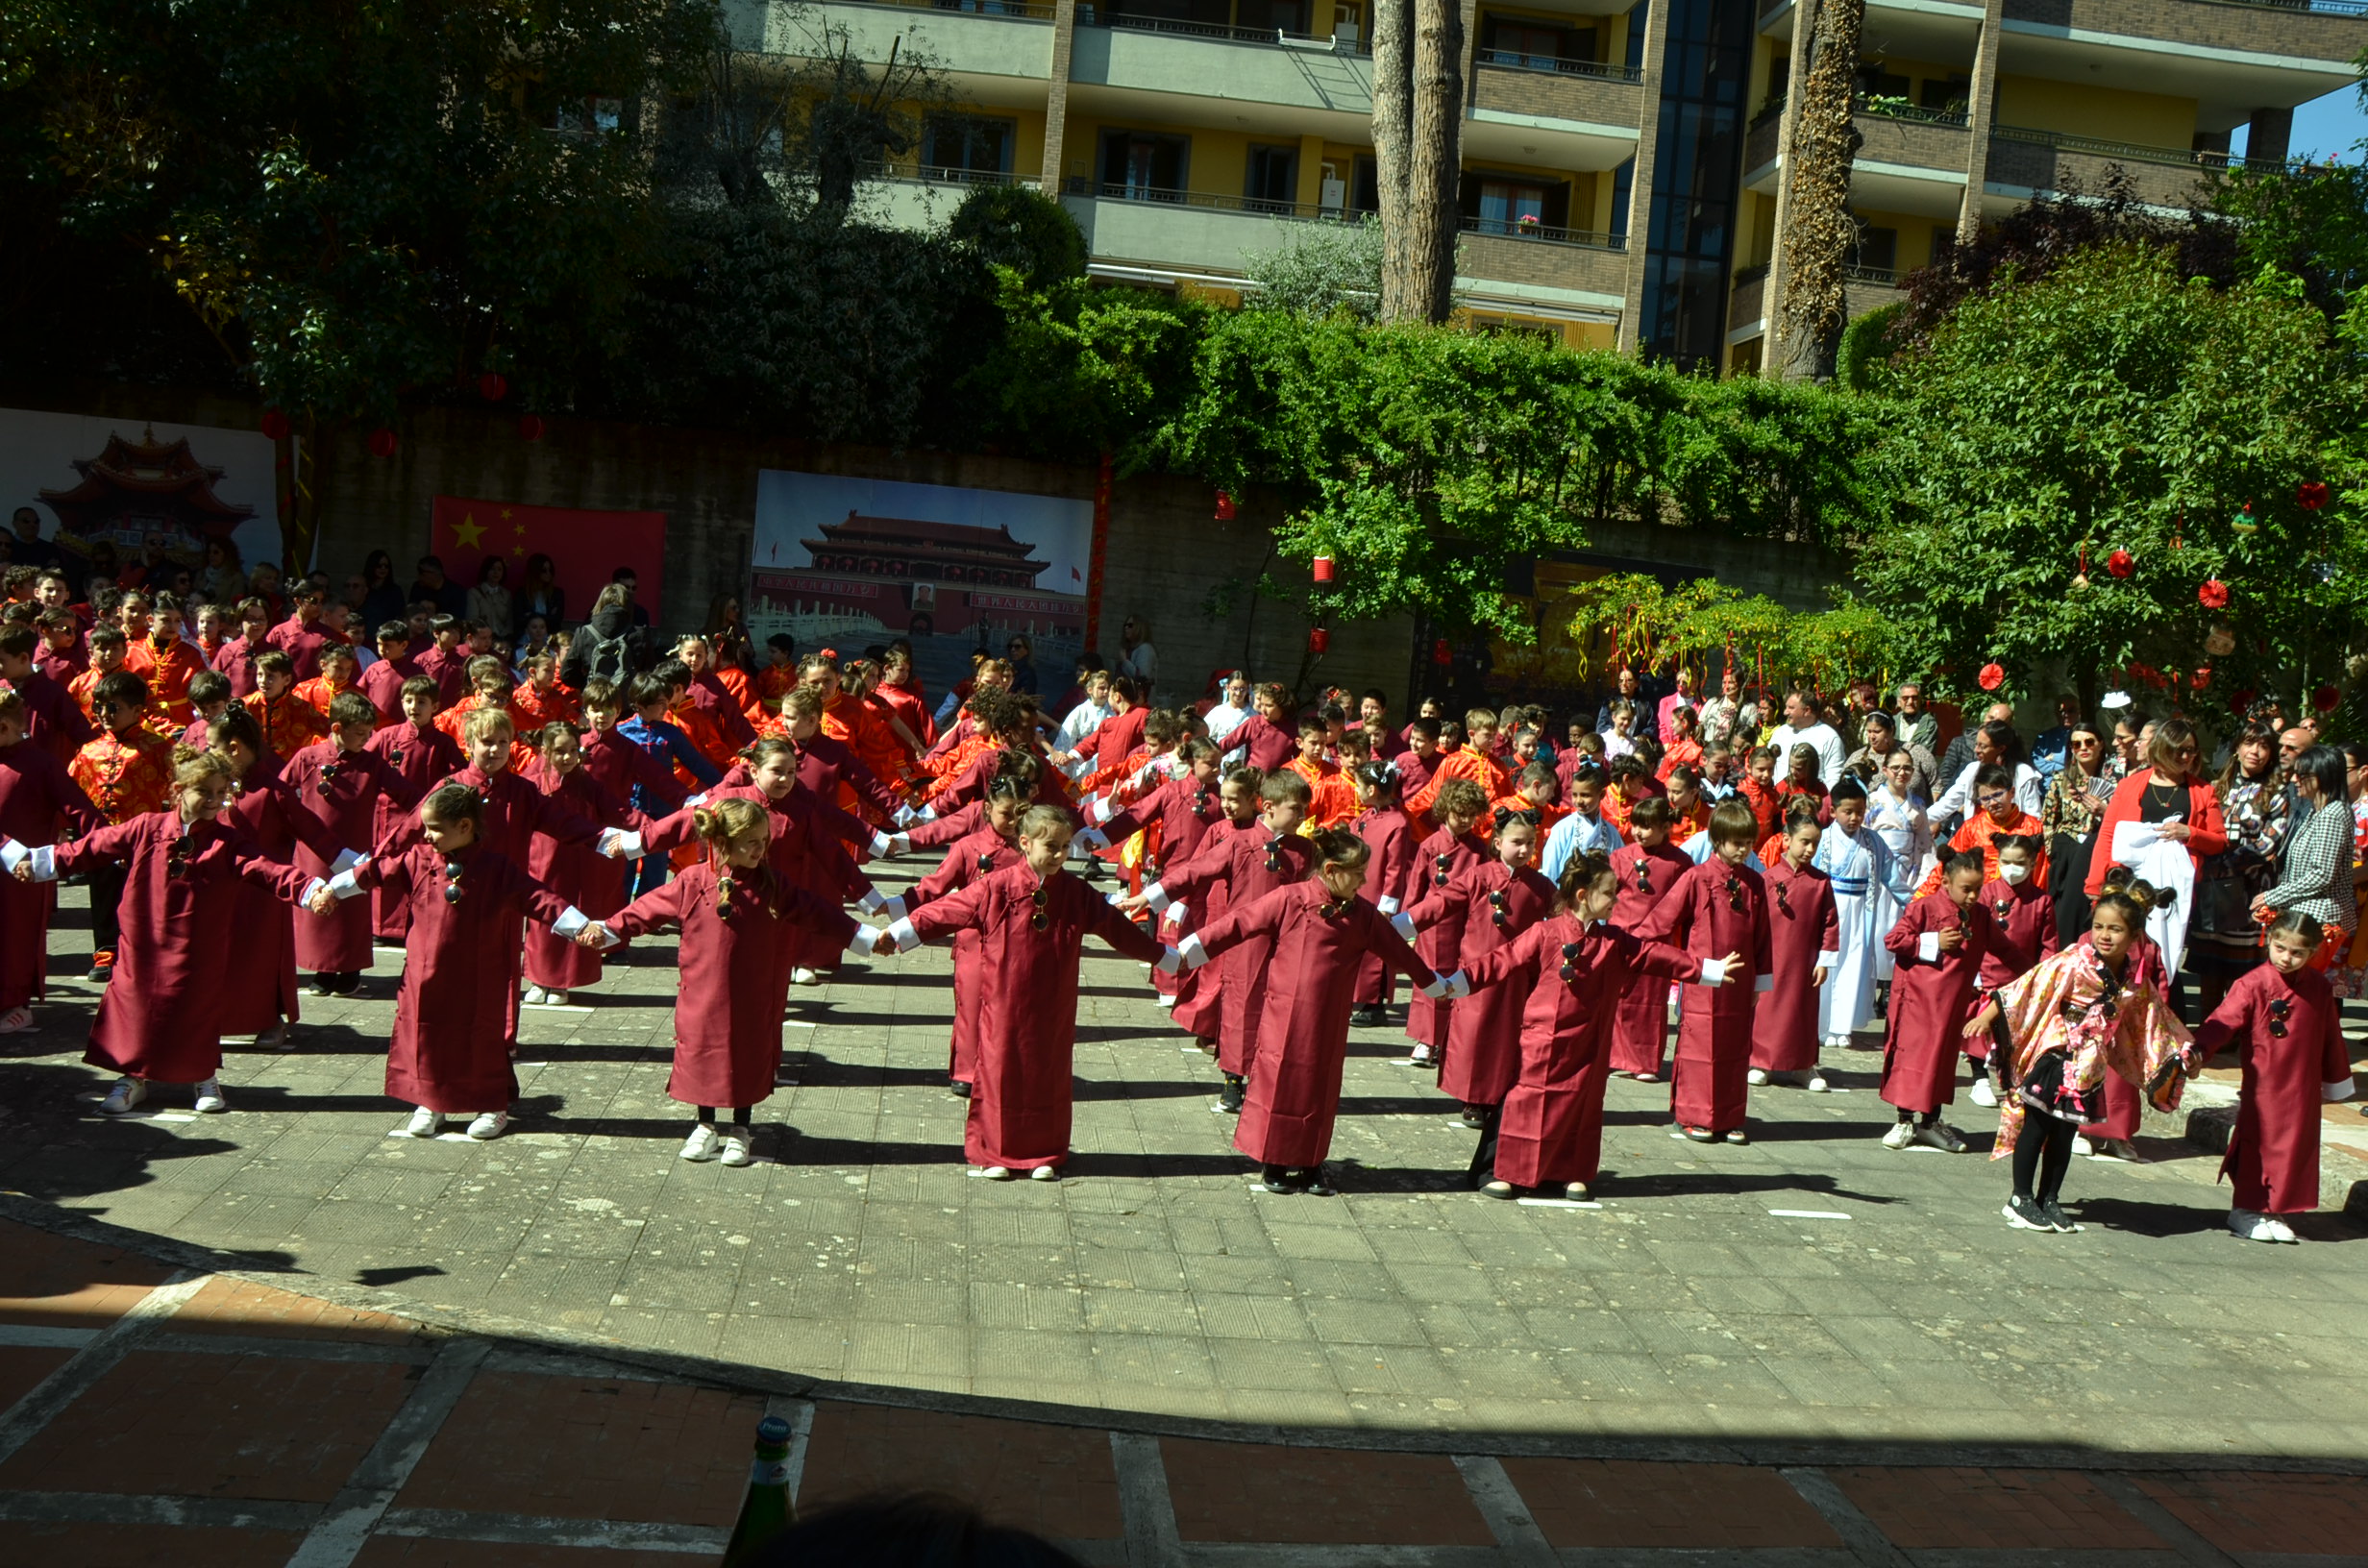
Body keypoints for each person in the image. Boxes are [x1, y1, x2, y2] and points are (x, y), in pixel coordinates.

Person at [1168, 827, 1463, 1195]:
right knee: (1279, 1082)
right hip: (1283, 1015)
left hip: (1329, 1019)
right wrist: (1187, 953)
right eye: (1357, 873)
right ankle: (1273, 1160)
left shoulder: (1363, 916)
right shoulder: (1290, 898)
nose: (1363, 880)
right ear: (1331, 870)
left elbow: (1400, 953)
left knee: (1319, 1088)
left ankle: (1310, 1162)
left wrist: (1436, 986)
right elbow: (1238, 923)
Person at [880, 804, 1165, 1180]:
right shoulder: (996, 887)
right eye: (1051, 846)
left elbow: (1119, 930)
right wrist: (897, 934)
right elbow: (946, 910)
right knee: (1000, 1067)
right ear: (1026, 843)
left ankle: (1044, 1152)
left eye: (1065, 847)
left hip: (1053, 1002)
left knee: (1047, 1068)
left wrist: (1165, 957)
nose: (1060, 855)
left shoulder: (1077, 893)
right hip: (1003, 998)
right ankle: (994, 1151)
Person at [22, 747, 314, 1111]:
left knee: (195, 1006)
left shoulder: (228, 841)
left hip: (197, 943)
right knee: (135, 1005)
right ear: (178, 790)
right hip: (142, 939)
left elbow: (265, 868)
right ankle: (132, 1078)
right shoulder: (147, 826)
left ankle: (204, 1077)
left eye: (220, 792)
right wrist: (39, 864)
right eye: (203, 791)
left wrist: (308, 890)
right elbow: (94, 846)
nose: (212, 800)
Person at [591, 797, 870, 1165]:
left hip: (754, 993)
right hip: (702, 992)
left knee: (746, 1055)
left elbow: (816, 911)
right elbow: (648, 908)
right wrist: (607, 929)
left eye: (764, 840)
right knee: (703, 1052)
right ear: (723, 842)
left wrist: (862, 936)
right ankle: (705, 1125)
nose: (761, 849)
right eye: (751, 841)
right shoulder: (692, 881)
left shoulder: (772, 885)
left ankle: (741, 1128)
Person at [319, 782, 594, 1139]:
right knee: (425, 1034)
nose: (428, 836)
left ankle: (492, 1105)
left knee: (479, 1036)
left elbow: (539, 898)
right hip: (425, 971)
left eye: (436, 829)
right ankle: (431, 1100)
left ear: (465, 827)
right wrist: (330, 890)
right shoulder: (416, 860)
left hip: (477, 974)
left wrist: (581, 926)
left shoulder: (497, 869)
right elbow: (372, 872)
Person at [1966, 877, 2194, 1233]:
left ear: (2135, 936)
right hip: (2055, 1053)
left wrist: (2183, 1050)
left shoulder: (2134, 980)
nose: (2105, 935)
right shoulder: (2074, 960)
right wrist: (1986, 1016)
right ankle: (2020, 1198)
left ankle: (2049, 1197)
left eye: (2116, 929)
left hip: (2089, 1062)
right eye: (2099, 926)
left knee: (2065, 1133)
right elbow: (2027, 985)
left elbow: (2156, 1019)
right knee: (2037, 1126)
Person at [1127, 769, 1317, 1110]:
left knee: (1284, 1011)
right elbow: (1193, 871)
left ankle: (1272, 1079)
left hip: (1290, 943)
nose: (1302, 816)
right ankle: (1233, 1078)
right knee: (1241, 1009)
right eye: (1296, 809)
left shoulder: (1305, 850)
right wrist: (1151, 897)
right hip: (1245, 943)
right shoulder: (1239, 843)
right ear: (1269, 807)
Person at [1396, 808, 1555, 1170]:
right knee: (1473, 1033)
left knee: (1505, 1037)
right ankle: (1471, 1098)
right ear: (1498, 843)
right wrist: (1398, 927)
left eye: (1530, 843)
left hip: (1518, 975)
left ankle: (1495, 1096)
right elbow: (1439, 904)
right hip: (1475, 970)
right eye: (1517, 842)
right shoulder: (1479, 877)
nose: (1523, 850)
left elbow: (1563, 915)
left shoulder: (1541, 886)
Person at [2192, 910, 2356, 1242]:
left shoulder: (2320, 987)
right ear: (2268, 940)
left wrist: (2335, 1080)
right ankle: (2246, 1210)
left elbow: (2331, 1037)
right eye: (2280, 948)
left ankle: (2273, 1209)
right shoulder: (2253, 983)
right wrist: (2198, 1051)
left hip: (2304, 1084)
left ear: (2313, 952)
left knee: (2294, 1145)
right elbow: (2223, 1021)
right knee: (2260, 1141)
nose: (2286, 958)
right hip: (2264, 1082)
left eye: (2297, 952)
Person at [1637, 798, 1774, 1143]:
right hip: (1702, 978)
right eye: (1735, 843)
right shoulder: (1696, 878)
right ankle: (1693, 1114)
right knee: (1700, 1045)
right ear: (1717, 840)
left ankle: (1729, 1116)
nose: (1742, 850)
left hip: (1740, 982)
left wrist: (1760, 981)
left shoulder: (1755, 884)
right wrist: (1632, 945)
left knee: (1734, 1047)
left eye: (1747, 843)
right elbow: (1661, 919)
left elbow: (1763, 937)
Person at [905, 771, 1033, 1095]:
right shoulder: (967, 847)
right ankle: (966, 1071)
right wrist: (898, 910)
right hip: (974, 942)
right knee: (971, 1007)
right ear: (988, 808)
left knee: (1012, 1007)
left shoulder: (1031, 848)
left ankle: (1003, 1070)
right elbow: (935, 887)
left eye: (1020, 813)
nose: (1012, 821)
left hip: (1020, 941)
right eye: (1006, 812)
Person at [520, 722, 651, 1007]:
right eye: (559, 751)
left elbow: (621, 811)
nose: (567, 758)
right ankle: (538, 978)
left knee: (576, 913)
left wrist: (654, 831)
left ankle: (562, 982)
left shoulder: (587, 782)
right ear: (544, 751)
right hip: (542, 860)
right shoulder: (530, 780)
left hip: (580, 862)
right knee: (541, 922)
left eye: (572, 751)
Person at [281, 692, 402, 996]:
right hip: (313, 850)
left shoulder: (372, 764)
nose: (366, 738)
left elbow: (407, 793)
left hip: (353, 847)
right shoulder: (307, 757)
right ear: (337, 728)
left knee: (350, 909)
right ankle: (322, 969)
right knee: (318, 908)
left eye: (368, 732)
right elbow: (279, 793)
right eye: (359, 733)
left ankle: (350, 970)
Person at [0, 688, 103, 1032]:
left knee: (15, 934)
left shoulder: (42, 765)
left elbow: (81, 811)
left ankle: (15, 1002)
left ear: (4, 727)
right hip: (10, 858)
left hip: (22, 873)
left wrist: (108, 844)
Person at [1880, 849, 1991, 1152]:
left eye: (1977, 889)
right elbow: (1894, 940)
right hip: (1917, 1000)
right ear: (1945, 883)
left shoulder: (1980, 915)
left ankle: (1931, 1121)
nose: (1972, 896)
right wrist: (1932, 942)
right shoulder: (1924, 908)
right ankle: (1904, 1120)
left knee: (1941, 1062)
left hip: (1951, 1005)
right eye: (1966, 889)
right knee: (1912, 1059)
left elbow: (2004, 949)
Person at [1963, 835, 2058, 1108]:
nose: (2012, 868)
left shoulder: (2042, 901)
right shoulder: (1986, 893)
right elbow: (1972, 935)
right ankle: (1979, 1079)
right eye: (2006, 862)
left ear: (2032, 863)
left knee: (2014, 1034)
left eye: (2020, 863)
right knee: (1978, 1029)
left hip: (2022, 978)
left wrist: (2042, 977)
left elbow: (2048, 945)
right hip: (1987, 973)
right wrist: (1974, 972)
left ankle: (2011, 1080)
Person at [2250, 744, 2357, 972]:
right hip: (2305, 914)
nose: (2295, 779)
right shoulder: (2317, 810)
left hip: (2320, 918)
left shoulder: (2333, 814)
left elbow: (2321, 874)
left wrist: (2273, 896)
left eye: (2302, 775)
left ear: (2323, 776)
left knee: (2301, 989)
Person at [1748, 811, 1836, 1091]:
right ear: (1786, 840)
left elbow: (1830, 923)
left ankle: (1803, 1065)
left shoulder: (1821, 883)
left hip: (1805, 961)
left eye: (1815, 843)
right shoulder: (1766, 879)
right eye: (1804, 842)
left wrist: (1825, 959)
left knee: (1802, 1010)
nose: (1810, 849)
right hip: (1772, 958)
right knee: (1767, 1009)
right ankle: (1761, 1061)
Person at [2038, 723, 2112, 948]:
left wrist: (2103, 809)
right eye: (2076, 744)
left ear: (2100, 745)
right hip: (2066, 850)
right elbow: (2048, 819)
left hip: (2098, 849)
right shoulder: (2061, 780)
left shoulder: (2114, 781)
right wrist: (2053, 850)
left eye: (2089, 742)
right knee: (2065, 908)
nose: (2083, 748)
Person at [1767, 688, 1846, 790]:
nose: (1785, 712)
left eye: (1791, 708)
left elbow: (1834, 778)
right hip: (1779, 800)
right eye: (1786, 707)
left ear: (1807, 711)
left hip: (1812, 802)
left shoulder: (1829, 737)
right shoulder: (1780, 733)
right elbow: (1768, 765)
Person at [2031, 696, 2084, 783]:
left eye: (2071, 711)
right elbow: (2038, 763)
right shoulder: (2044, 738)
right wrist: (2065, 768)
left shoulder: (2087, 737)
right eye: (2061, 711)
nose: (2066, 715)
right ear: (2056, 713)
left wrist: (2052, 760)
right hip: (2048, 789)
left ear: (2079, 712)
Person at [510, 552, 564, 632]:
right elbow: (519, 619)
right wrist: (548, 616)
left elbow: (556, 620)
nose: (548, 573)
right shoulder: (522, 593)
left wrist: (531, 615)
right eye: (544, 570)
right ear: (535, 571)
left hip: (550, 637)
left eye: (550, 570)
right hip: (526, 637)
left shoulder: (557, 594)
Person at [408, 555, 469, 619]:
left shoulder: (457, 592)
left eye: (422, 573)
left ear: (435, 574)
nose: (419, 577)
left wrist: (435, 613)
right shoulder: (417, 587)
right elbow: (409, 615)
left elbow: (456, 620)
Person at [1890, 681, 1939, 756]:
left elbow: (1925, 755)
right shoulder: (1891, 722)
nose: (1910, 702)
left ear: (1920, 700)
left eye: (1914, 697)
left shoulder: (1929, 723)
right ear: (1899, 701)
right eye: (1905, 698)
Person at [1116, 614, 1155, 699]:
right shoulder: (1129, 649)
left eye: (1130, 626)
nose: (1126, 628)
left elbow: (1142, 677)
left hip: (1139, 701)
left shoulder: (1145, 649)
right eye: (1125, 625)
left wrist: (1125, 661)